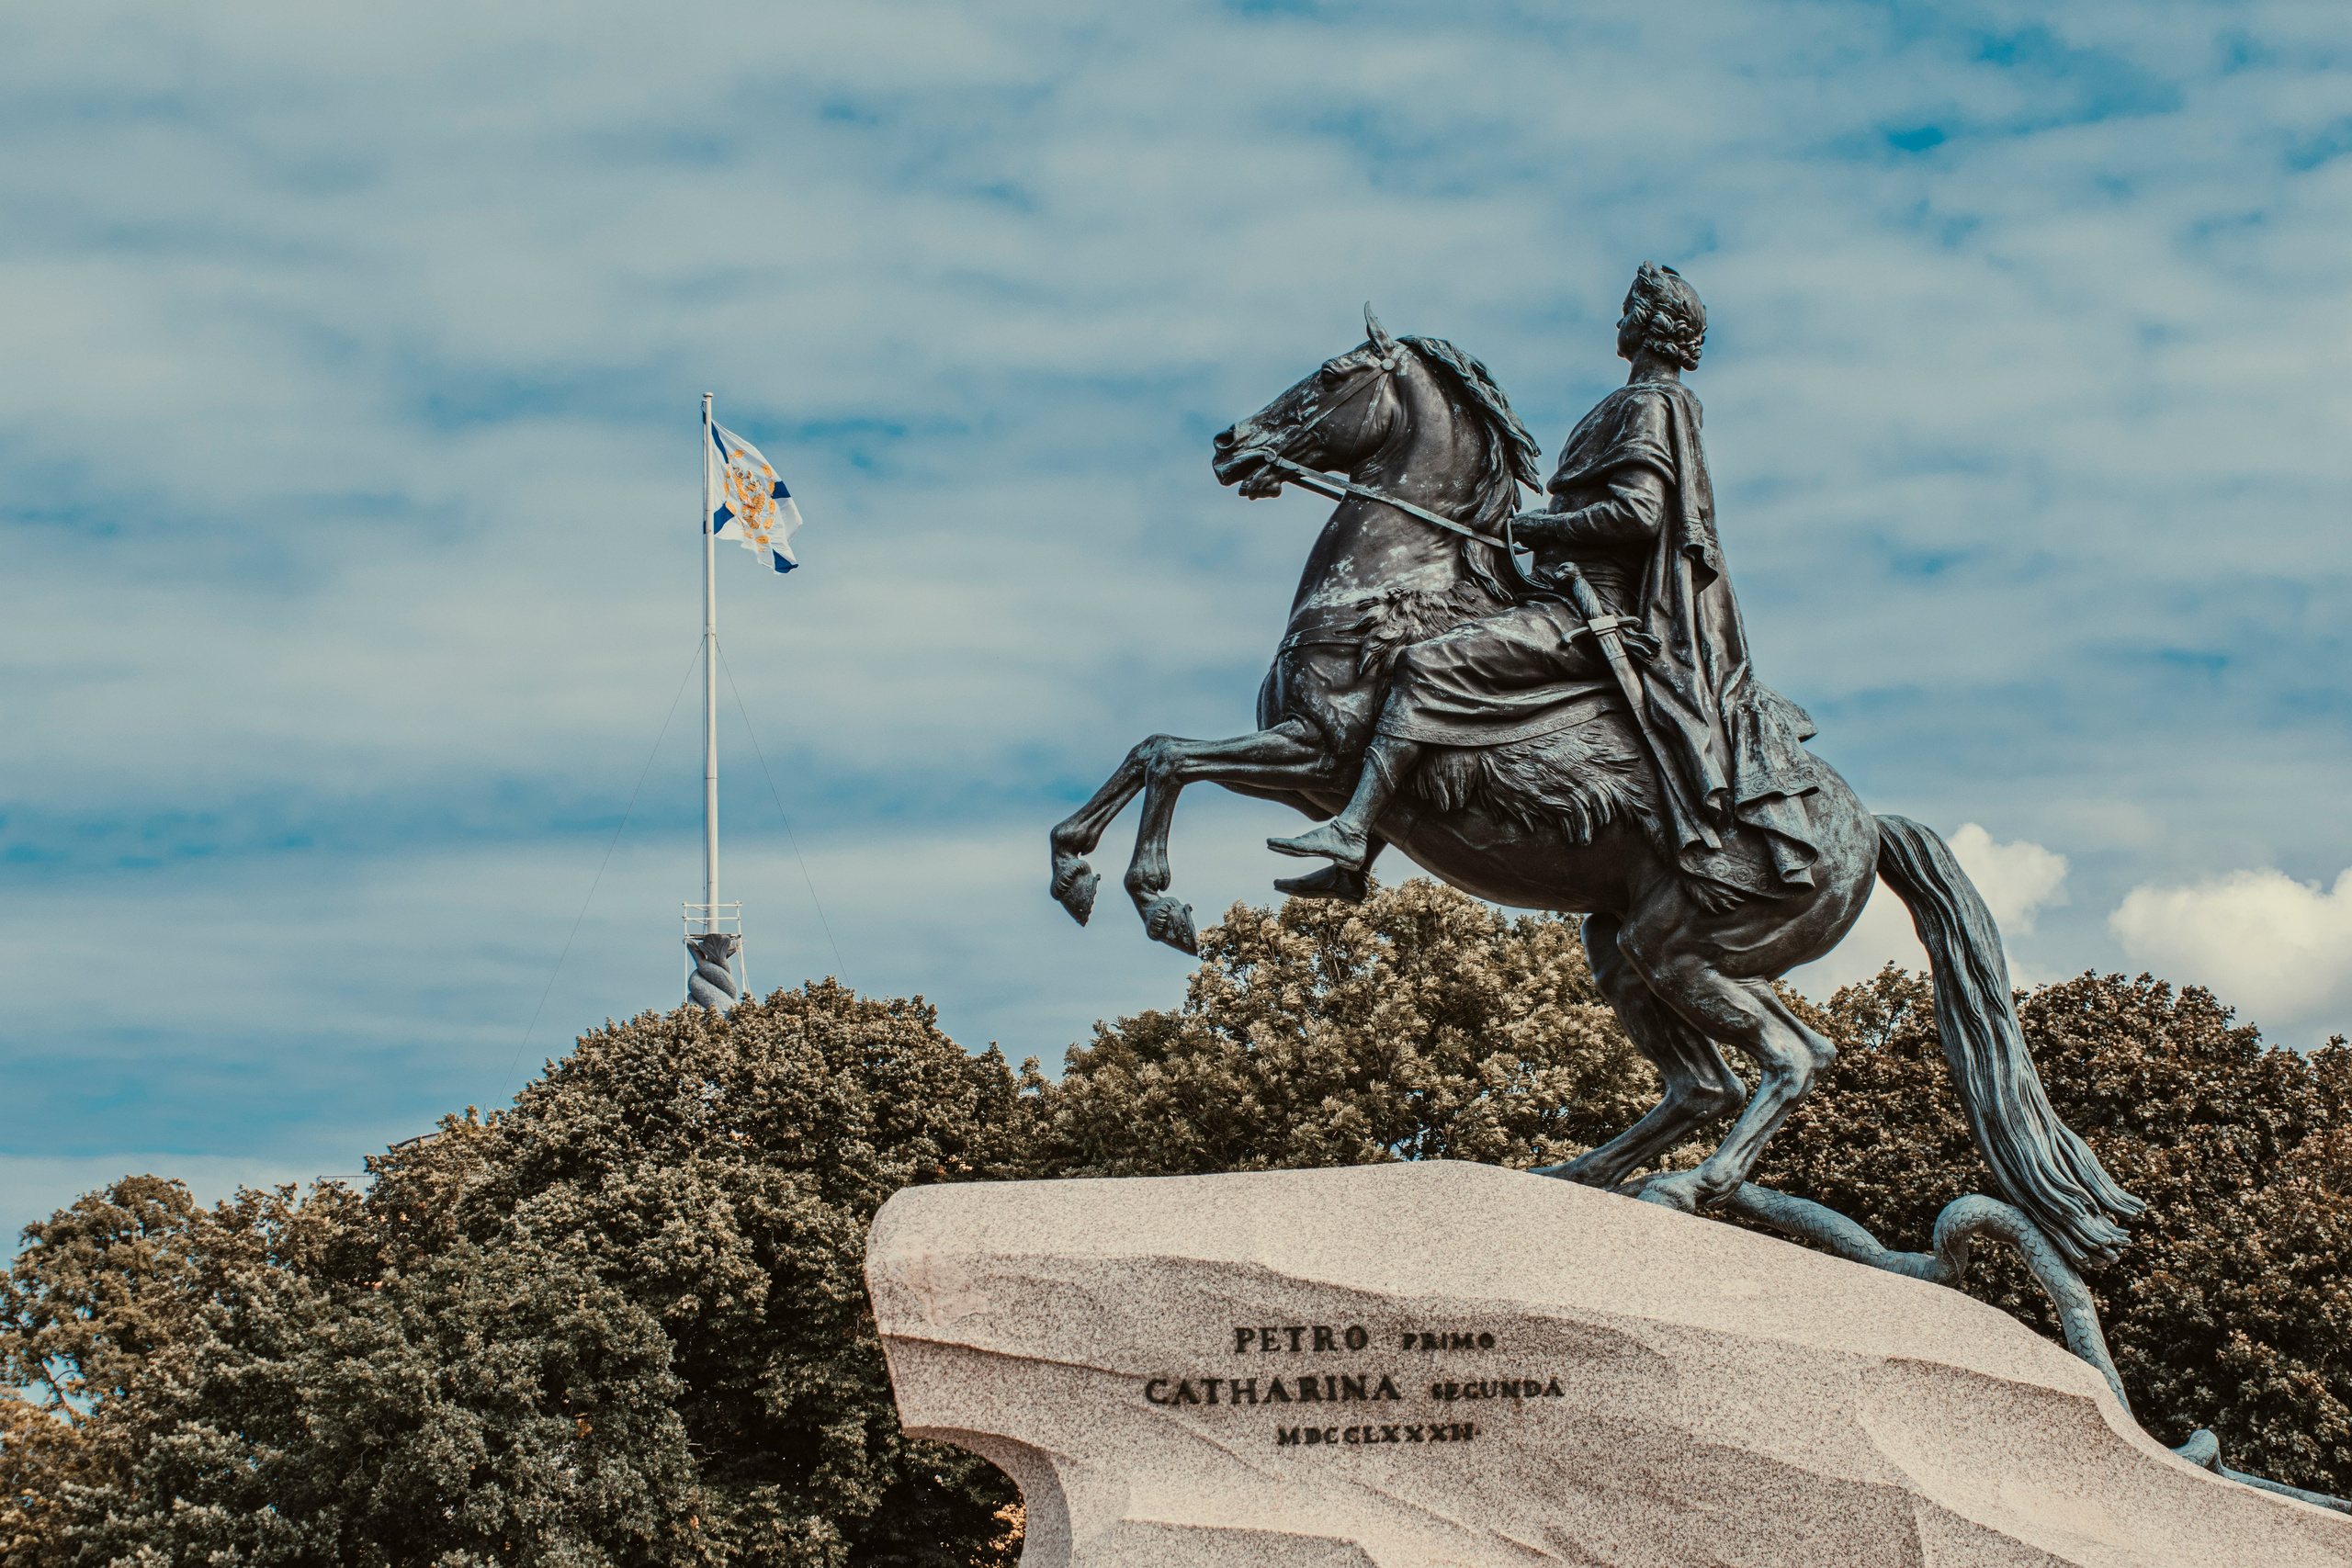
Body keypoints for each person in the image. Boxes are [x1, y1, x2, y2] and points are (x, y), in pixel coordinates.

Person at [1268, 263, 1822, 899]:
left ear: (1647, 325)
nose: (1619, 321)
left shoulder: (1647, 404)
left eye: (1628, 311)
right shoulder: (1649, 404)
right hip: (1567, 595)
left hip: (1593, 612)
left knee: (1425, 664)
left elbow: (1640, 513)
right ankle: (1352, 859)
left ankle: (1352, 832)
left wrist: (1541, 527)